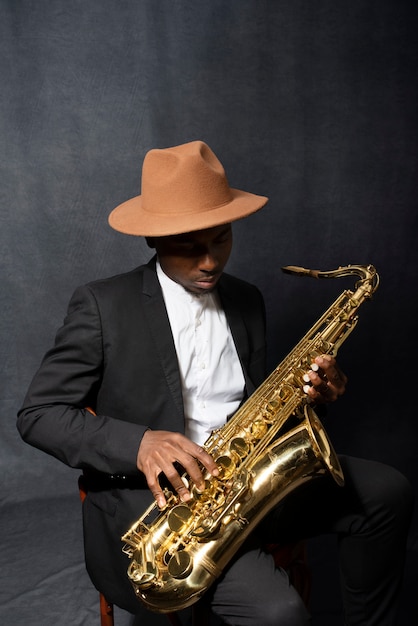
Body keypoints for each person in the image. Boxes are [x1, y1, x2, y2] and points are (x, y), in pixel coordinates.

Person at [17, 140, 413, 626]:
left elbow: (257, 409)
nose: (210, 262)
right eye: (190, 245)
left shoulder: (247, 300)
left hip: (244, 476)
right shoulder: (102, 305)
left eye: (221, 239)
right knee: (279, 613)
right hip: (164, 509)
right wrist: (140, 443)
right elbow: (38, 415)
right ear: (153, 239)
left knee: (388, 491)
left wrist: (312, 396)